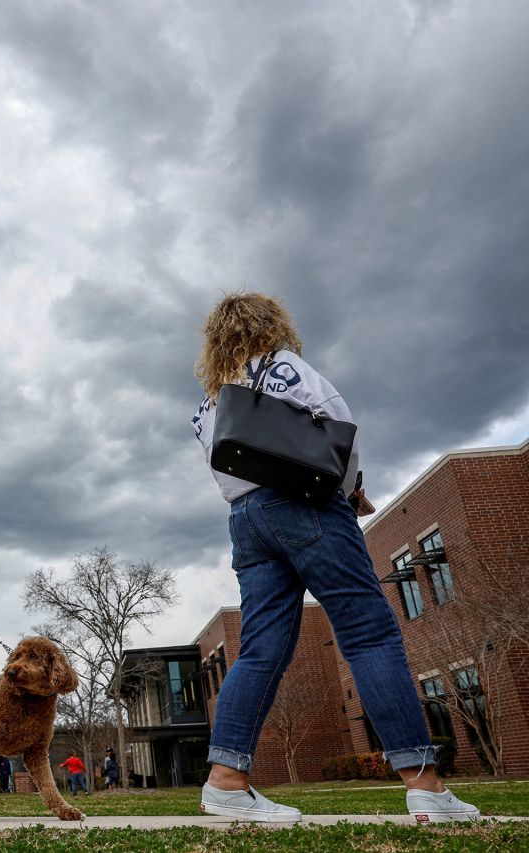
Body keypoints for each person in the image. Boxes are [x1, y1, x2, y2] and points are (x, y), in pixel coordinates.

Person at [192, 293, 479, 824]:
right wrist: (350, 492)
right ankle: (425, 785)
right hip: (307, 507)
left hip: (245, 521)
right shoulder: (282, 366)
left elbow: (225, 470)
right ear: (270, 325)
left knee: (259, 649)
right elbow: (339, 427)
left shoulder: (209, 402)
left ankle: (227, 781)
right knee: (368, 632)